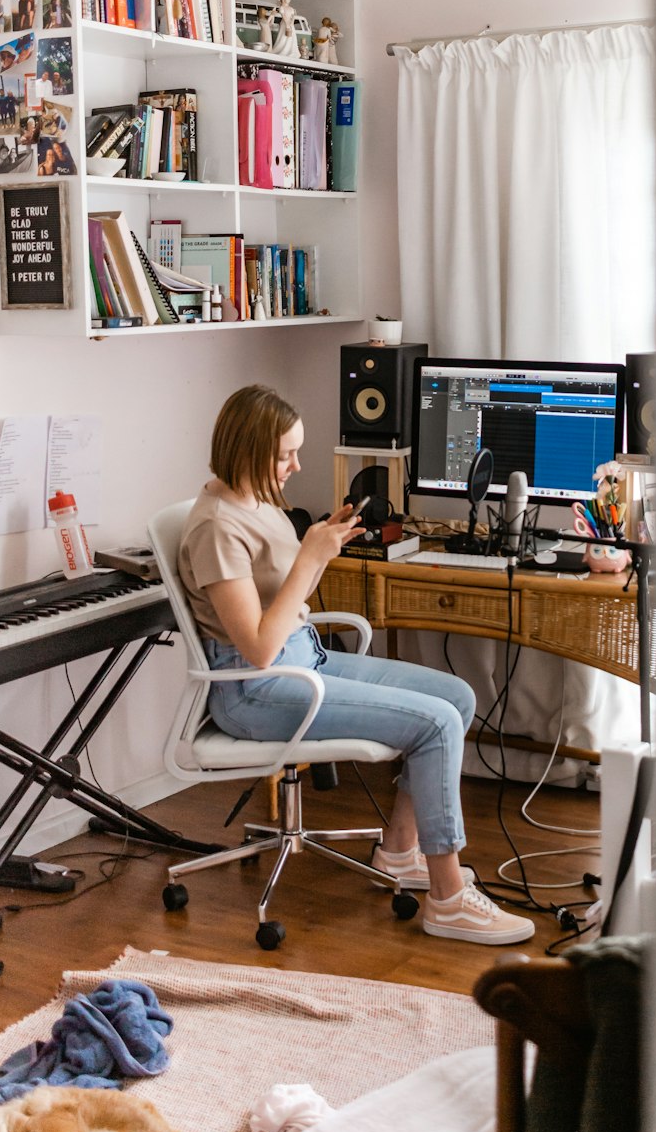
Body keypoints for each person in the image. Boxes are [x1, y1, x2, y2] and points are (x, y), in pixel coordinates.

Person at [177, 383, 535, 945]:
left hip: (305, 658)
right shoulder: (216, 529)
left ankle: (399, 853)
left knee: (458, 698)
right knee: (436, 723)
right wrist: (311, 556)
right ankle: (447, 900)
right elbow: (258, 649)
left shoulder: (258, 501)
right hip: (257, 692)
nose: (296, 465)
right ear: (247, 451)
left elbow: (289, 603)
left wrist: (322, 547)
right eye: (285, 455)